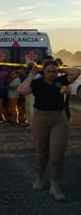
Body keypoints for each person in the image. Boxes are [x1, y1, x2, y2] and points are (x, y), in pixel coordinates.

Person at [17, 60, 81, 201]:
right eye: (48, 71)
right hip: (40, 118)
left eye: (54, 71)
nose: (52, 74)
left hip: (59, 119)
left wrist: (60, 70)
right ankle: (39, 178)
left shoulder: (61, 80)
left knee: (57, 153)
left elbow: (76, 72)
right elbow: (21, 90)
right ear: (43, 72)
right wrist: (32, 75)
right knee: (41, 151)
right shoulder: (37, 83)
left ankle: (55, 184)